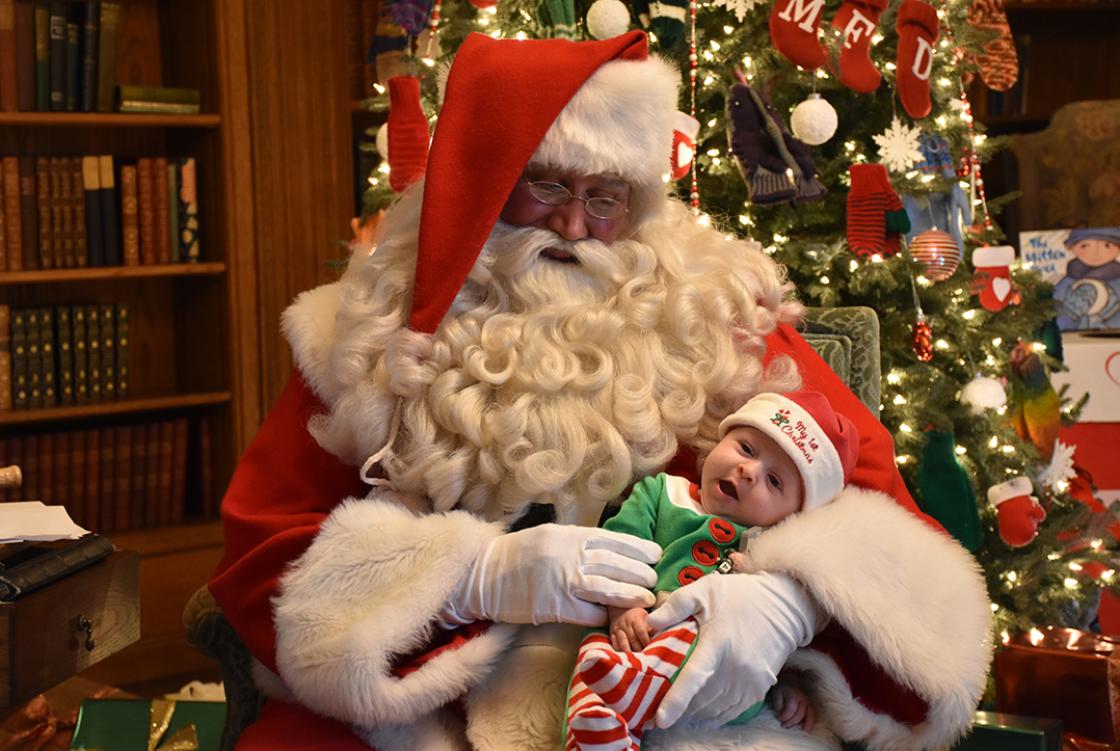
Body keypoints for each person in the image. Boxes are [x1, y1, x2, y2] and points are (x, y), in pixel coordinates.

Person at [209, 30, 992, 751]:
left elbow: (884, 514)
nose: (576, 225)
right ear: (482, 184)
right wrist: (467, 577)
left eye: (606, 197)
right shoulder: (360, 329)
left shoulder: (717, 311)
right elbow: (267, 552)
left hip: (680, 707)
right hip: (438, 705)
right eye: (545, 187)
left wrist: (789, 602)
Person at [564, 390, 857, 750]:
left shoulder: (774, 550)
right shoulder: (662, 492)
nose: (749, 472)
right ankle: (601, 731)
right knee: (595, 665)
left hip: (719, 687)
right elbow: (618, 545)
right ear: (720, 440)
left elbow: (777, 639)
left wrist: (785, 685)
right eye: (746, 449)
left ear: (790, 517)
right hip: (637, 637)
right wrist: (622, 606)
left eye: (774, 481)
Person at [1054, 227, 1120, 330]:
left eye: (1107, 245)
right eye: (1085, 246)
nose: (1096, 253)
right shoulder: (1070, 278)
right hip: (1071, 339)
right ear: (1072, 248)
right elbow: (1054, 303)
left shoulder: (1117, 280)